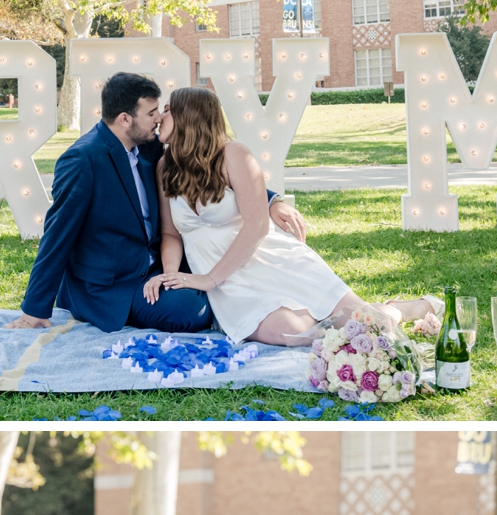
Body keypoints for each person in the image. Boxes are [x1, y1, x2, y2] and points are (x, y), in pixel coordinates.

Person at [8, 71, 308, 335]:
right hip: (113, 284)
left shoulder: (149, 145)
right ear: (125, 119)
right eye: (152, 112)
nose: (160, 118)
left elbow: (210, 169)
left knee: (232, 276)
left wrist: (271, 201)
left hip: (158, 265)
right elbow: (57, 235)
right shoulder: (83, 159)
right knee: (192, 311)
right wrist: (35, 310)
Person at [151, 86, 441, 346]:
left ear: (190, 116)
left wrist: (208, 279)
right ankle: (352, 313)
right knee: (291, 334)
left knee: (370, 325)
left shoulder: (233, 155)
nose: (160, 117)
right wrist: (172, 275)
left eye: (167, 110)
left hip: (269, 261)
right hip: (231, 284)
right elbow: (171, 234)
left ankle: (403, 308)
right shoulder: (165, 166)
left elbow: (256, 227)